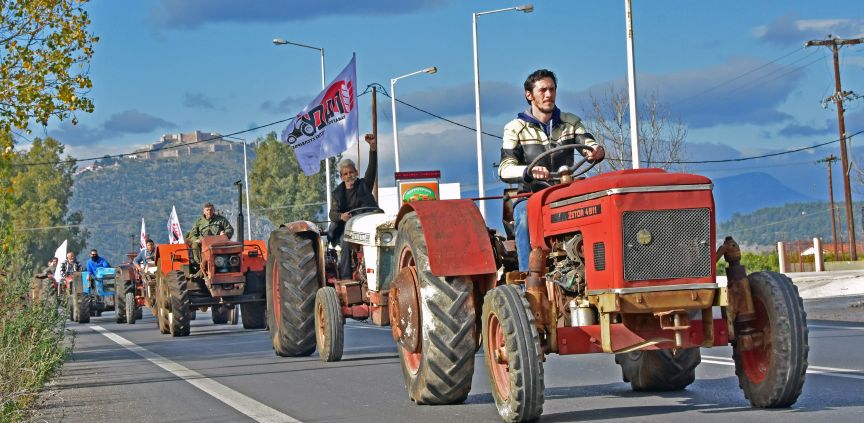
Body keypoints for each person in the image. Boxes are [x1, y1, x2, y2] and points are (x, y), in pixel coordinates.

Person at [498, 69, 605, 272]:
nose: (549, 95)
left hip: (566, 193)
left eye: (552, 89)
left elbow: (587, 142)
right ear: (529, 95)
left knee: (599, 209)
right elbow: (505, 169)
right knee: (522, 217)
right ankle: (527, 278)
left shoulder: (570, 122)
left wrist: (595, 150)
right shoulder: (515, 128)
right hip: (532, 195)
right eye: (543, 90)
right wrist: (528, 171)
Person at [328, 133, 378, 279]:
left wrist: (373, 148)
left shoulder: (364, 185)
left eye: (351, 172)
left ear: (356, 172)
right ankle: (346, 277)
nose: (349, 175)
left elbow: (372, 169)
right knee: (345, 240)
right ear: (341, 176)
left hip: (368, 222)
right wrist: (341, 216)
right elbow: (332, 214)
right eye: (345, 174)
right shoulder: (337, 193)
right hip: (348, 226)